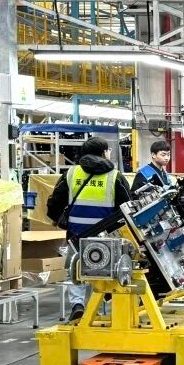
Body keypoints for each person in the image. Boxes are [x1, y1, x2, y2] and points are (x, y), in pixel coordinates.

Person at [46, 136, 132, 321]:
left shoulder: (71, 173)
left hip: (76, 232)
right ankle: (97, 308)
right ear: (104, 152)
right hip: (106, 234)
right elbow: (127, 206)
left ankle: (77, 304)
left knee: (74, 267)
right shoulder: (115, 176)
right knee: (103, 268)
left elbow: (56, 199)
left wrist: (54, 218)